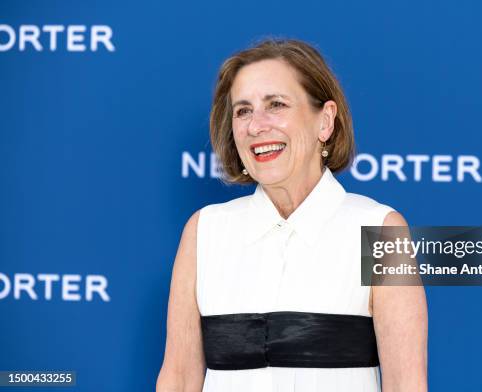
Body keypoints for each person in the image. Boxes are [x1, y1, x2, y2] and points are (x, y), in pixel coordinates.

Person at [156, 38, 428, 392]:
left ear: (325, 122)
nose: (256, 126)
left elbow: (406, 384)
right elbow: (178, 378)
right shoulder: (204, 230)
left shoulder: (380, 231)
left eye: (276, 105)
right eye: (243, 111)